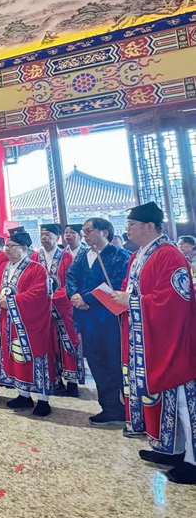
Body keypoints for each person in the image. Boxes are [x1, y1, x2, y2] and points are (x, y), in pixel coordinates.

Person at [112, 202, 196, 484]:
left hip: (170, 339)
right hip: (146, 338)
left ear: (149, 226)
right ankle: (171, 449)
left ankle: (193, 460)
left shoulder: (168, 255)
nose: (127, 230)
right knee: (161, 398)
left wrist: (132, 301)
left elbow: (174, 301)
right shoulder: (140, 255)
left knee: (183, 400)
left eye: (131, 224)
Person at [66, 217, 131, 426]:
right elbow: (70, 277)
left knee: (114, 362)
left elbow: (117, 282)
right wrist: (75, 297)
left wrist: (86, 298)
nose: (84, 234)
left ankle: (129, 409)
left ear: (104, 231)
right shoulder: (83, 255)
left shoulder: (121, 256)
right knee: (95, 362)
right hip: (86, 319)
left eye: (88, 230)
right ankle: (109, 407)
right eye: (83, 231)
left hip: (109, 319)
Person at [0, 228, 57, 417]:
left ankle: (43, 399)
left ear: (25, 248)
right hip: (8, 320)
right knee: (15, 355)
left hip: (31, 323)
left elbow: (38, 294)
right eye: (6, 246)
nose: (7, 250)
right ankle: (23, 394)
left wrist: (10, 301)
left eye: (11, 246)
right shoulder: (3, 268)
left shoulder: (37, 269)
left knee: (35, 357)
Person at [33, 223, 82, 398]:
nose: (44, 238)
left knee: (67, 341)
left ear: (57, 237)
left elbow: (72, 282)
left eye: (48, 235)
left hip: (63, 307)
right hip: (40, 309)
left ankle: (72, 381)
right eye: (42, 234)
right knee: (47, 343)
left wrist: (54, 297)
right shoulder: (34, 257)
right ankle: (54, 380)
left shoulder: (67, 257)